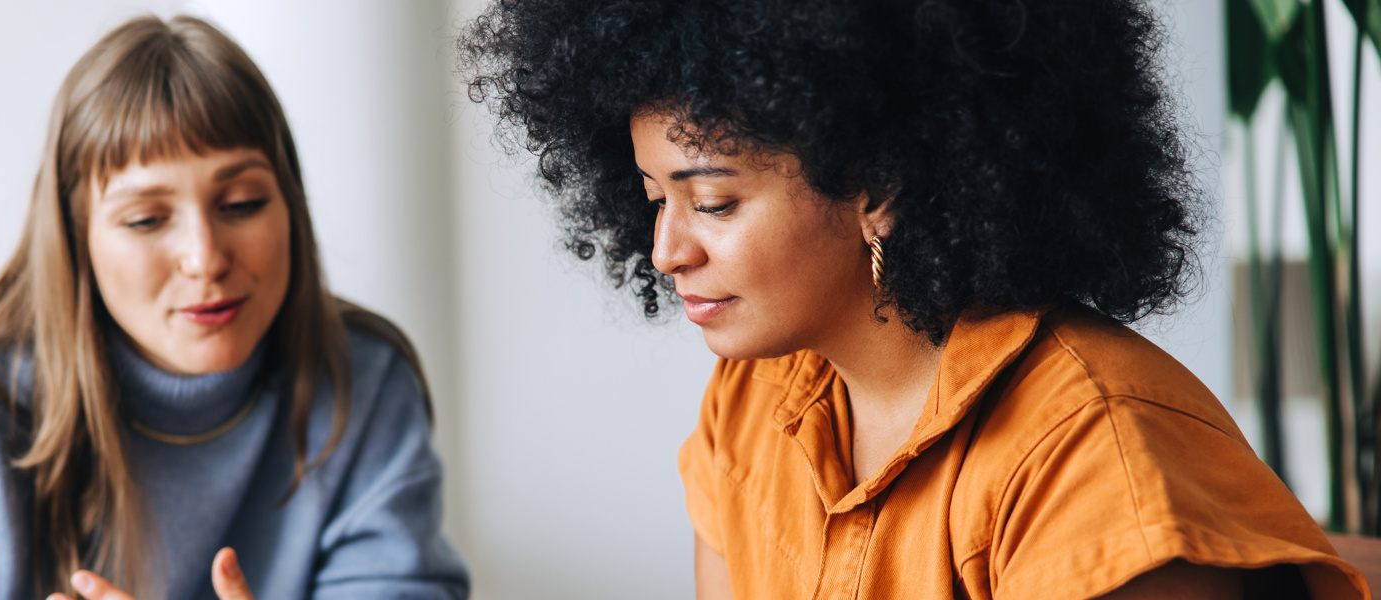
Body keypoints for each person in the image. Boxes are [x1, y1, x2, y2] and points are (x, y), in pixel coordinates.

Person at [460, 0, 1367, 598]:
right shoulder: (751, 403)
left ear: (877, 184)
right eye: (656, 200)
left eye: (715, 202)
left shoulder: (1097, 460)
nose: (666, 250)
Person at [0, 15, 468, 600]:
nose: (205, 257)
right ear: (75, 237)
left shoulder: (363, 385)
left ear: (291, 205)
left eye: (241, 204)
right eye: (148, 219)